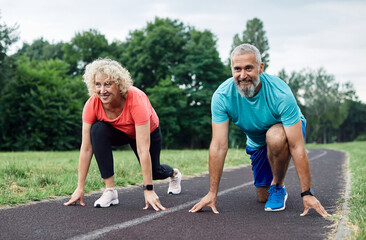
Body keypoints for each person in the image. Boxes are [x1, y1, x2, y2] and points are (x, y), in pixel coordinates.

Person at [189, 44, 330, 217]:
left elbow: (297, 147)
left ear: (260, 68)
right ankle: (275, 188)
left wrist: (306, 193)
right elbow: (218, 146)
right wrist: (212, 193)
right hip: (257, 141)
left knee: (275, 136)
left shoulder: (281, 94)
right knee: (263, 197)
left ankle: (278, 185)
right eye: (237, 69)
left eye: (249, 68)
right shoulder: (222, 96)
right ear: (231, 69)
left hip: (285, 130)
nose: (243, 75)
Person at [64, 58, 182, 211]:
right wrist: (80, 187)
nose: (102, 90)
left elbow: (142, 149)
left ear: (119, 84)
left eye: (108, 84)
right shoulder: (92, 104)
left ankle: (174, 174)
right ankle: (110, 191)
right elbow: (86, 148)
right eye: (97, 84)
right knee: (97, 129)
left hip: (147, 132)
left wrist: (149, 189)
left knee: (154, 172)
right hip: (119, 131)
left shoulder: (137, 100)